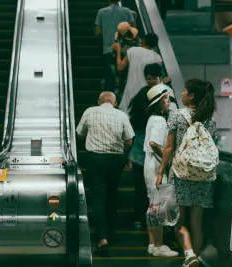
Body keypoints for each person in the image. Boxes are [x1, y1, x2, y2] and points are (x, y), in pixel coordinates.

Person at [157, 79, 217, 267]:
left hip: (181, 174)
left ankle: (189, 254)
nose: (181, 93)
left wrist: (160, 171)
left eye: (184, 91)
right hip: (204, 176)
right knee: (197, 222)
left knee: (180, 220)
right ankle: (196, 259)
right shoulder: (210, 120)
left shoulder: (176, 115)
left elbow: (168, 147)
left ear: (191, 95)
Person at [76, 91, 134, 255]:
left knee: (98, 195)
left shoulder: (89, 111)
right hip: (116, 159)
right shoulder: (121, 115)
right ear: (115, 103)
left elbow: (79, 134)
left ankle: (102, 237)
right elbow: (129, 141)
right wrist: (123, 154)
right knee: (112, 192)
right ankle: (110, 231)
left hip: (95, 158)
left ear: (98, 102)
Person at [128, 63, 173, 231]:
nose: (151, 81)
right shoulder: (160, 111)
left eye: (152, 78)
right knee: (155, 192)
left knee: (142, 188)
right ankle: (156, 226)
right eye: (149, 78)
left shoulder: (141, 96)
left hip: (140, 153)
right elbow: (155, 142)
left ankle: (141, 220)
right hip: (153, 154)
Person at [143, 84, 179, 257]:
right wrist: (167, 158)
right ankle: (159, 246)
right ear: (157, 103)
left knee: (152, 206)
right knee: (158, 207)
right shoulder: (159, 121)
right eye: (164, 99)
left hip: (150, 166)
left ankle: (152, 244)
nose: (168, 101)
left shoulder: (153, 118)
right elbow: (154, 143)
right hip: (156, 168)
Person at [112, 33, 162, 112]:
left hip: (131, 90)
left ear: (144, 41)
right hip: (147, 93)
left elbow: (120, 67)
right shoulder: (157, 58)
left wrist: (118, 51)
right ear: (155, 44)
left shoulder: (133, 51)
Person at [95, 0, 136, 92]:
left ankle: (109, 99)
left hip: (108, 50)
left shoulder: (101, 12)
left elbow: (97, 32)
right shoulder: (127, 11)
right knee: (124, 77)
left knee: (110, 78)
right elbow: (133, 30)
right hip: (124, 51)